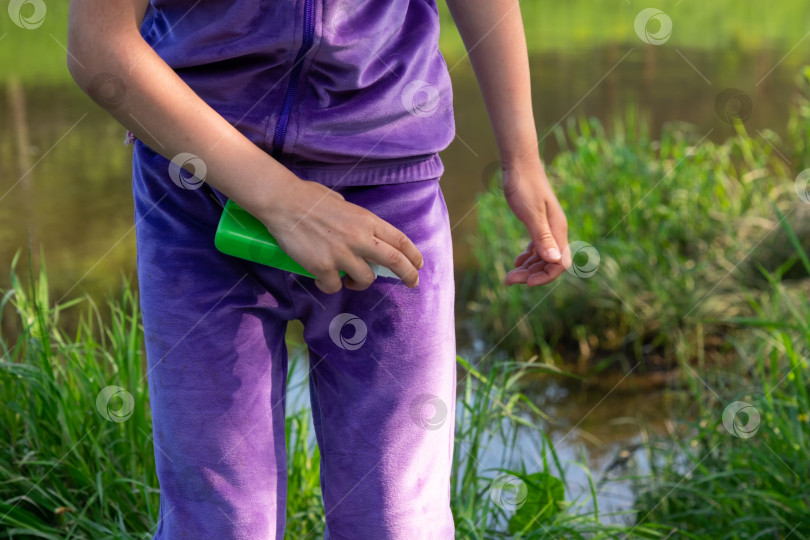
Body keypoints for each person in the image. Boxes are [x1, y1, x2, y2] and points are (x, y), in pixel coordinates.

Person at [66, 0, 569, 538]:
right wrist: (284, 200)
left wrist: (523, 157)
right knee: (218, 521)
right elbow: (99, 45)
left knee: (399, 522)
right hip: (197, 194)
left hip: (389, 197)